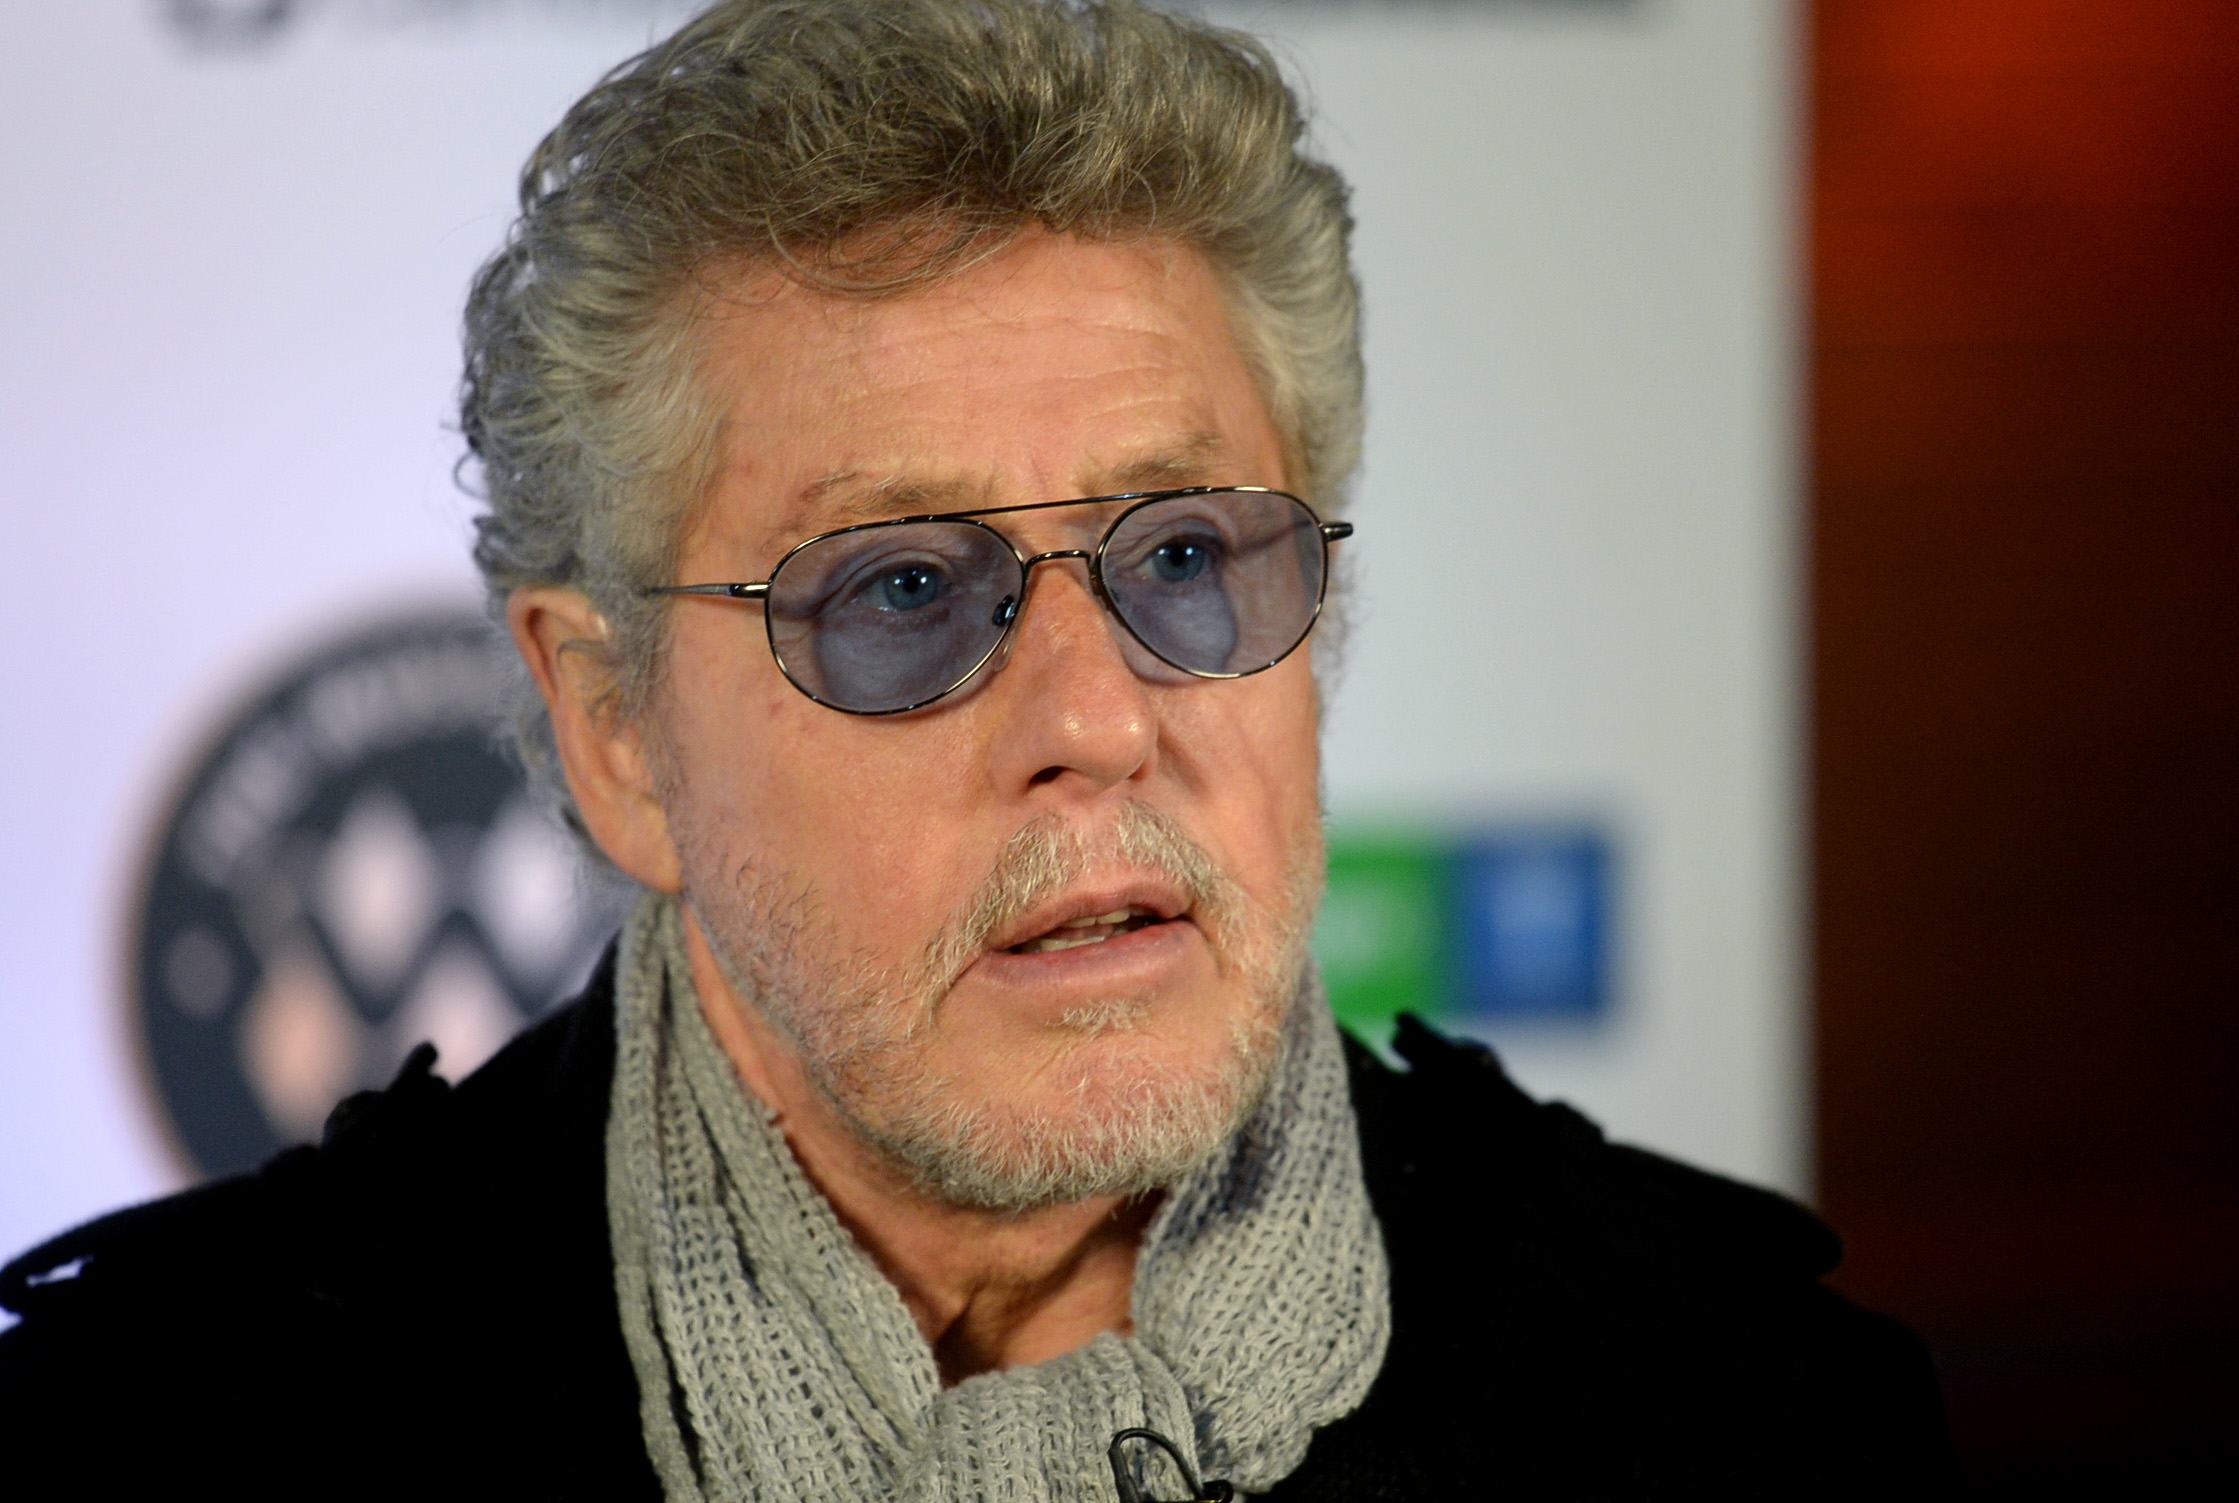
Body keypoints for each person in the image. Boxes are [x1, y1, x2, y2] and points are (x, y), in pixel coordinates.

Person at [0, 1, 1951, 1496]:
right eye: (904, 594)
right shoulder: (169, 1433)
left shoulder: (1745, 1414)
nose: (1098, 722)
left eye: (1185, 552)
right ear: (614, 732)